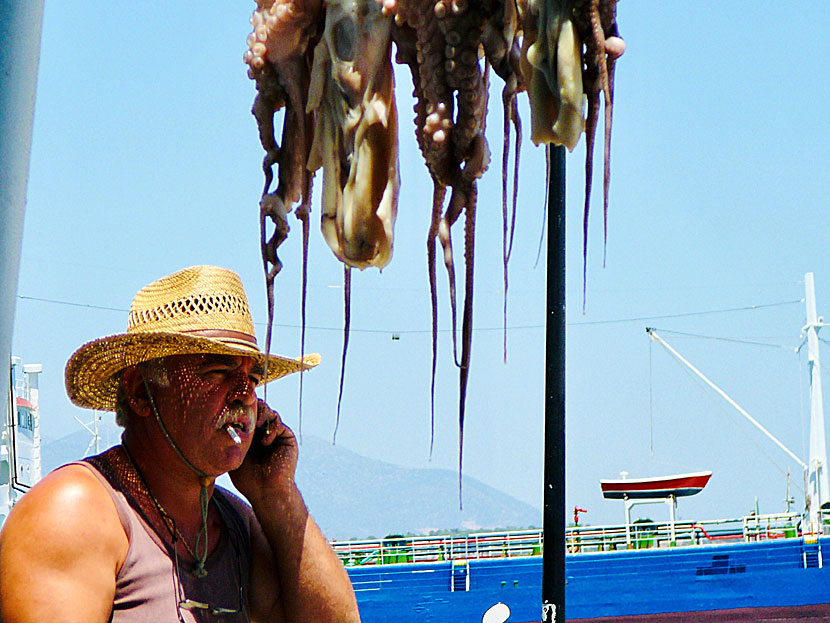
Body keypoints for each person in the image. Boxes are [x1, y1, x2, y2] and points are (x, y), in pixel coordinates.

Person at [0, 265, 361, 623]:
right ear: (142, 391)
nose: (245, 396)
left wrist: (277, 496)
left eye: (252, 377)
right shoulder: (75, 513)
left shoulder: (237, 524)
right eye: (218, 372)